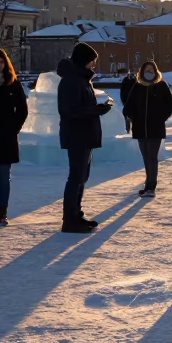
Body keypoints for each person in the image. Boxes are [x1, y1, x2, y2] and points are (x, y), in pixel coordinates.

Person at [57, 42, 113, 233]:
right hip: (76, 135)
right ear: (83, 61)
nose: (94, 65)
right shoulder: (71, 80)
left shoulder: (81, 79)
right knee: (76, 177)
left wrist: (97, 108)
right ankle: (70, 219)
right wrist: (97, 110)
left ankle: (76, 215)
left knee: (81, 176)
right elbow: (69, 111)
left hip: (83, 135)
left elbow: (79, 107)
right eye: (92, 61)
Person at [123, 59, 172, 197]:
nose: (149, 73)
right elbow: (128, 106)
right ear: (142, 72)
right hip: (140, 128)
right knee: (146, 157)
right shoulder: (137, 87)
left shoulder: (161, 86)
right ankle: (148, 184)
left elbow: (170, 105)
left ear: (155, 72)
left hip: (155, 128)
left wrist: (160, 118)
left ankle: (151, 186)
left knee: (152, 157)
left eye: (151, 71)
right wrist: (133, 117)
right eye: (147, 71)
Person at [0, 47, 29, 226]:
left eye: (1, 62)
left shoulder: (12, 83)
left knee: (4, 178)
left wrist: (14, 129)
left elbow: (22, 110)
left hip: (6, 138)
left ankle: (1, 212)